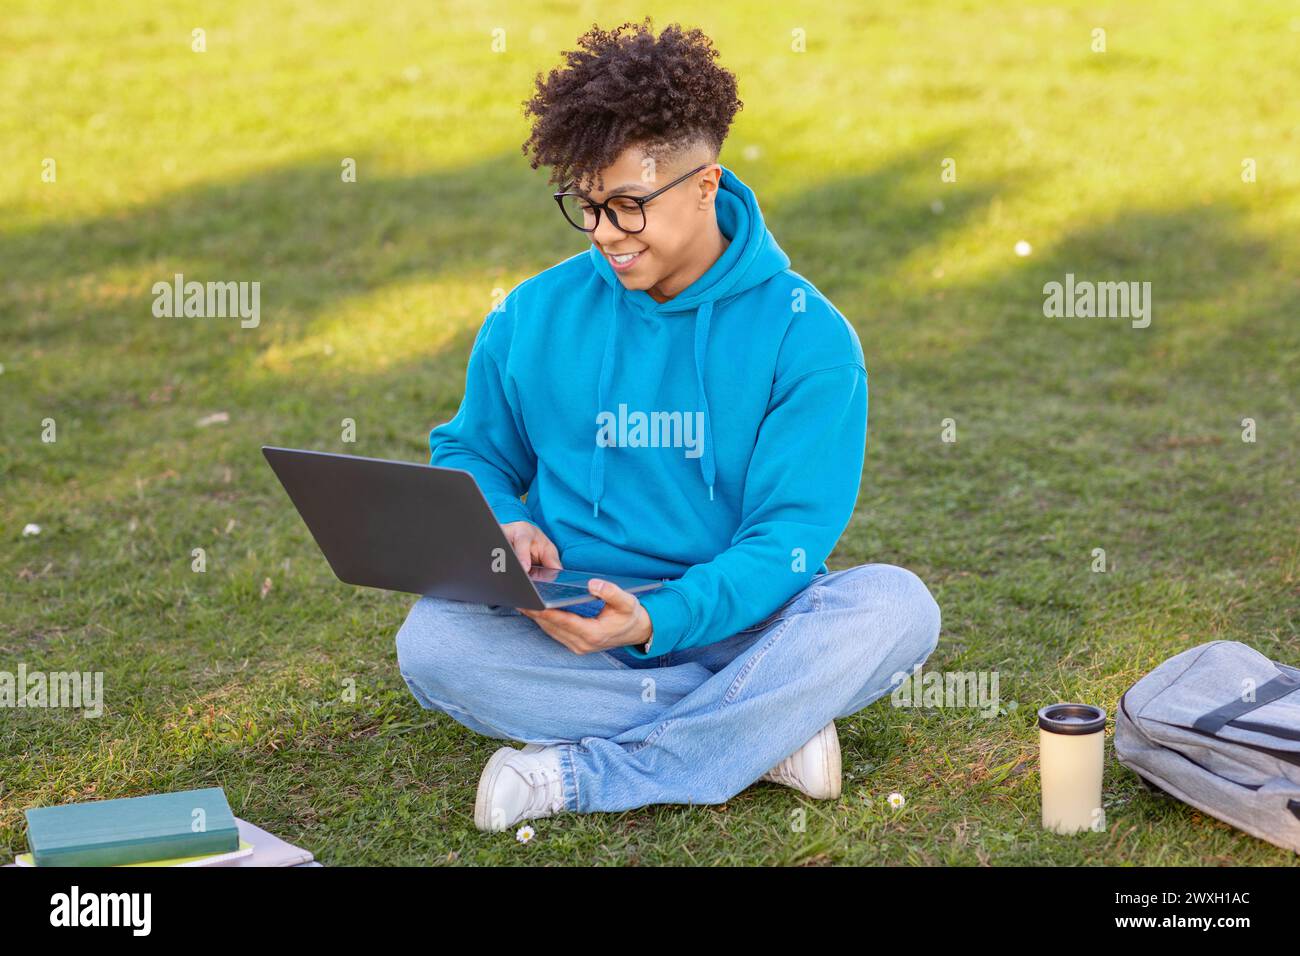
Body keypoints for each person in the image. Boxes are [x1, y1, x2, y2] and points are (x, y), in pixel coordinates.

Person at [396, 19, 941, 832]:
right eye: (587, 207)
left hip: (745, 624)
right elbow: (474, 449)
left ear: (704, 184)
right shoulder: (533, 312)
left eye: (627, 207)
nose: (606, 235)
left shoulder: (809, 336)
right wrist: (504, 520)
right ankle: (762, 731)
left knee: (896, 606)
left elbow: (787, 537)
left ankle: (587, 775)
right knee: (434, 644)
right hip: (569, 617)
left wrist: (664, 618)